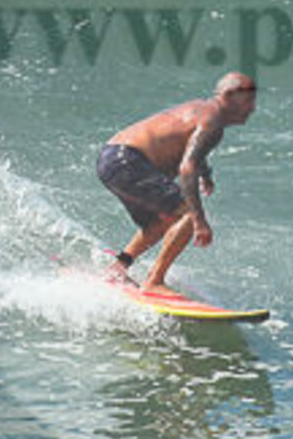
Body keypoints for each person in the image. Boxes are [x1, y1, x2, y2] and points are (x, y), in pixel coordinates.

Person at [95, 72, 257, 293]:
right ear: (228, 96)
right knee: (187, 214)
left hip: (111, 158)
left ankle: (117, 269)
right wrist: (199, 219)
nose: (252, 108)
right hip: (128, 161)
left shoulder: (202, 109)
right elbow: (187, 167)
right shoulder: (213, 122)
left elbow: (189, 147)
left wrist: (206, 174)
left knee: (160, 223)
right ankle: (155, 281)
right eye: (248, 101)